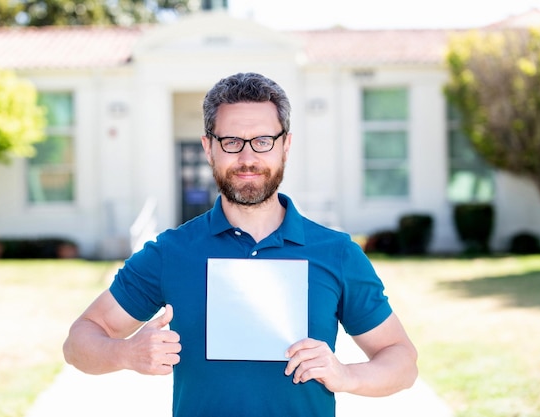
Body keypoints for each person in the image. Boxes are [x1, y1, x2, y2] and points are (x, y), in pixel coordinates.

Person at [63, 72, 418, 417]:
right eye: (231, 141)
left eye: (263, 141)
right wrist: (125, 353)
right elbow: (79, 342)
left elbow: (401, 360)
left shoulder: (337, 253)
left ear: (286, 146)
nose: (247, 158)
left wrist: (346, 375)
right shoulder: (170, 252)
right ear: (209, 148)